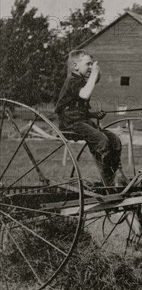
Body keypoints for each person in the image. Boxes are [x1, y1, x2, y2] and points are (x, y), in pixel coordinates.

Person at [55, 50, 126, 187]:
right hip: (70, 124)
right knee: (102, 140)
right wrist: (94, 73)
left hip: (82, 121)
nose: (90, 67)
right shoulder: (72, 81)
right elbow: (85, 95)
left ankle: (118, 172)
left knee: (114, 139)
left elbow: (80, 108)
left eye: (92, 64)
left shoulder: (80, 82)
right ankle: (109, 179)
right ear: (75, 66)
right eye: (88, 64)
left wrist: (94, 115)